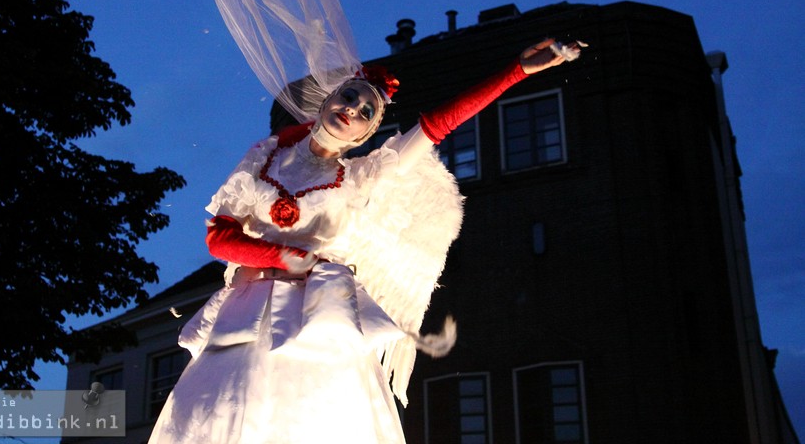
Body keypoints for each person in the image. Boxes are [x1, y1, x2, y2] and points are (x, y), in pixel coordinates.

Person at [147, 39, 584, 444]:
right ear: (329, 100)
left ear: (365, 135)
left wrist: (517, 72)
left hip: (317, 311)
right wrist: (283, 255)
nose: (352, 110)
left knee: (316, 411)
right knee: (223, 414)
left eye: (366, 112)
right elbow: (218, 238)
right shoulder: (265, 157)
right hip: (247, 307)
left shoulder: (360, 178)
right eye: (350, 96)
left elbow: (438, 125)